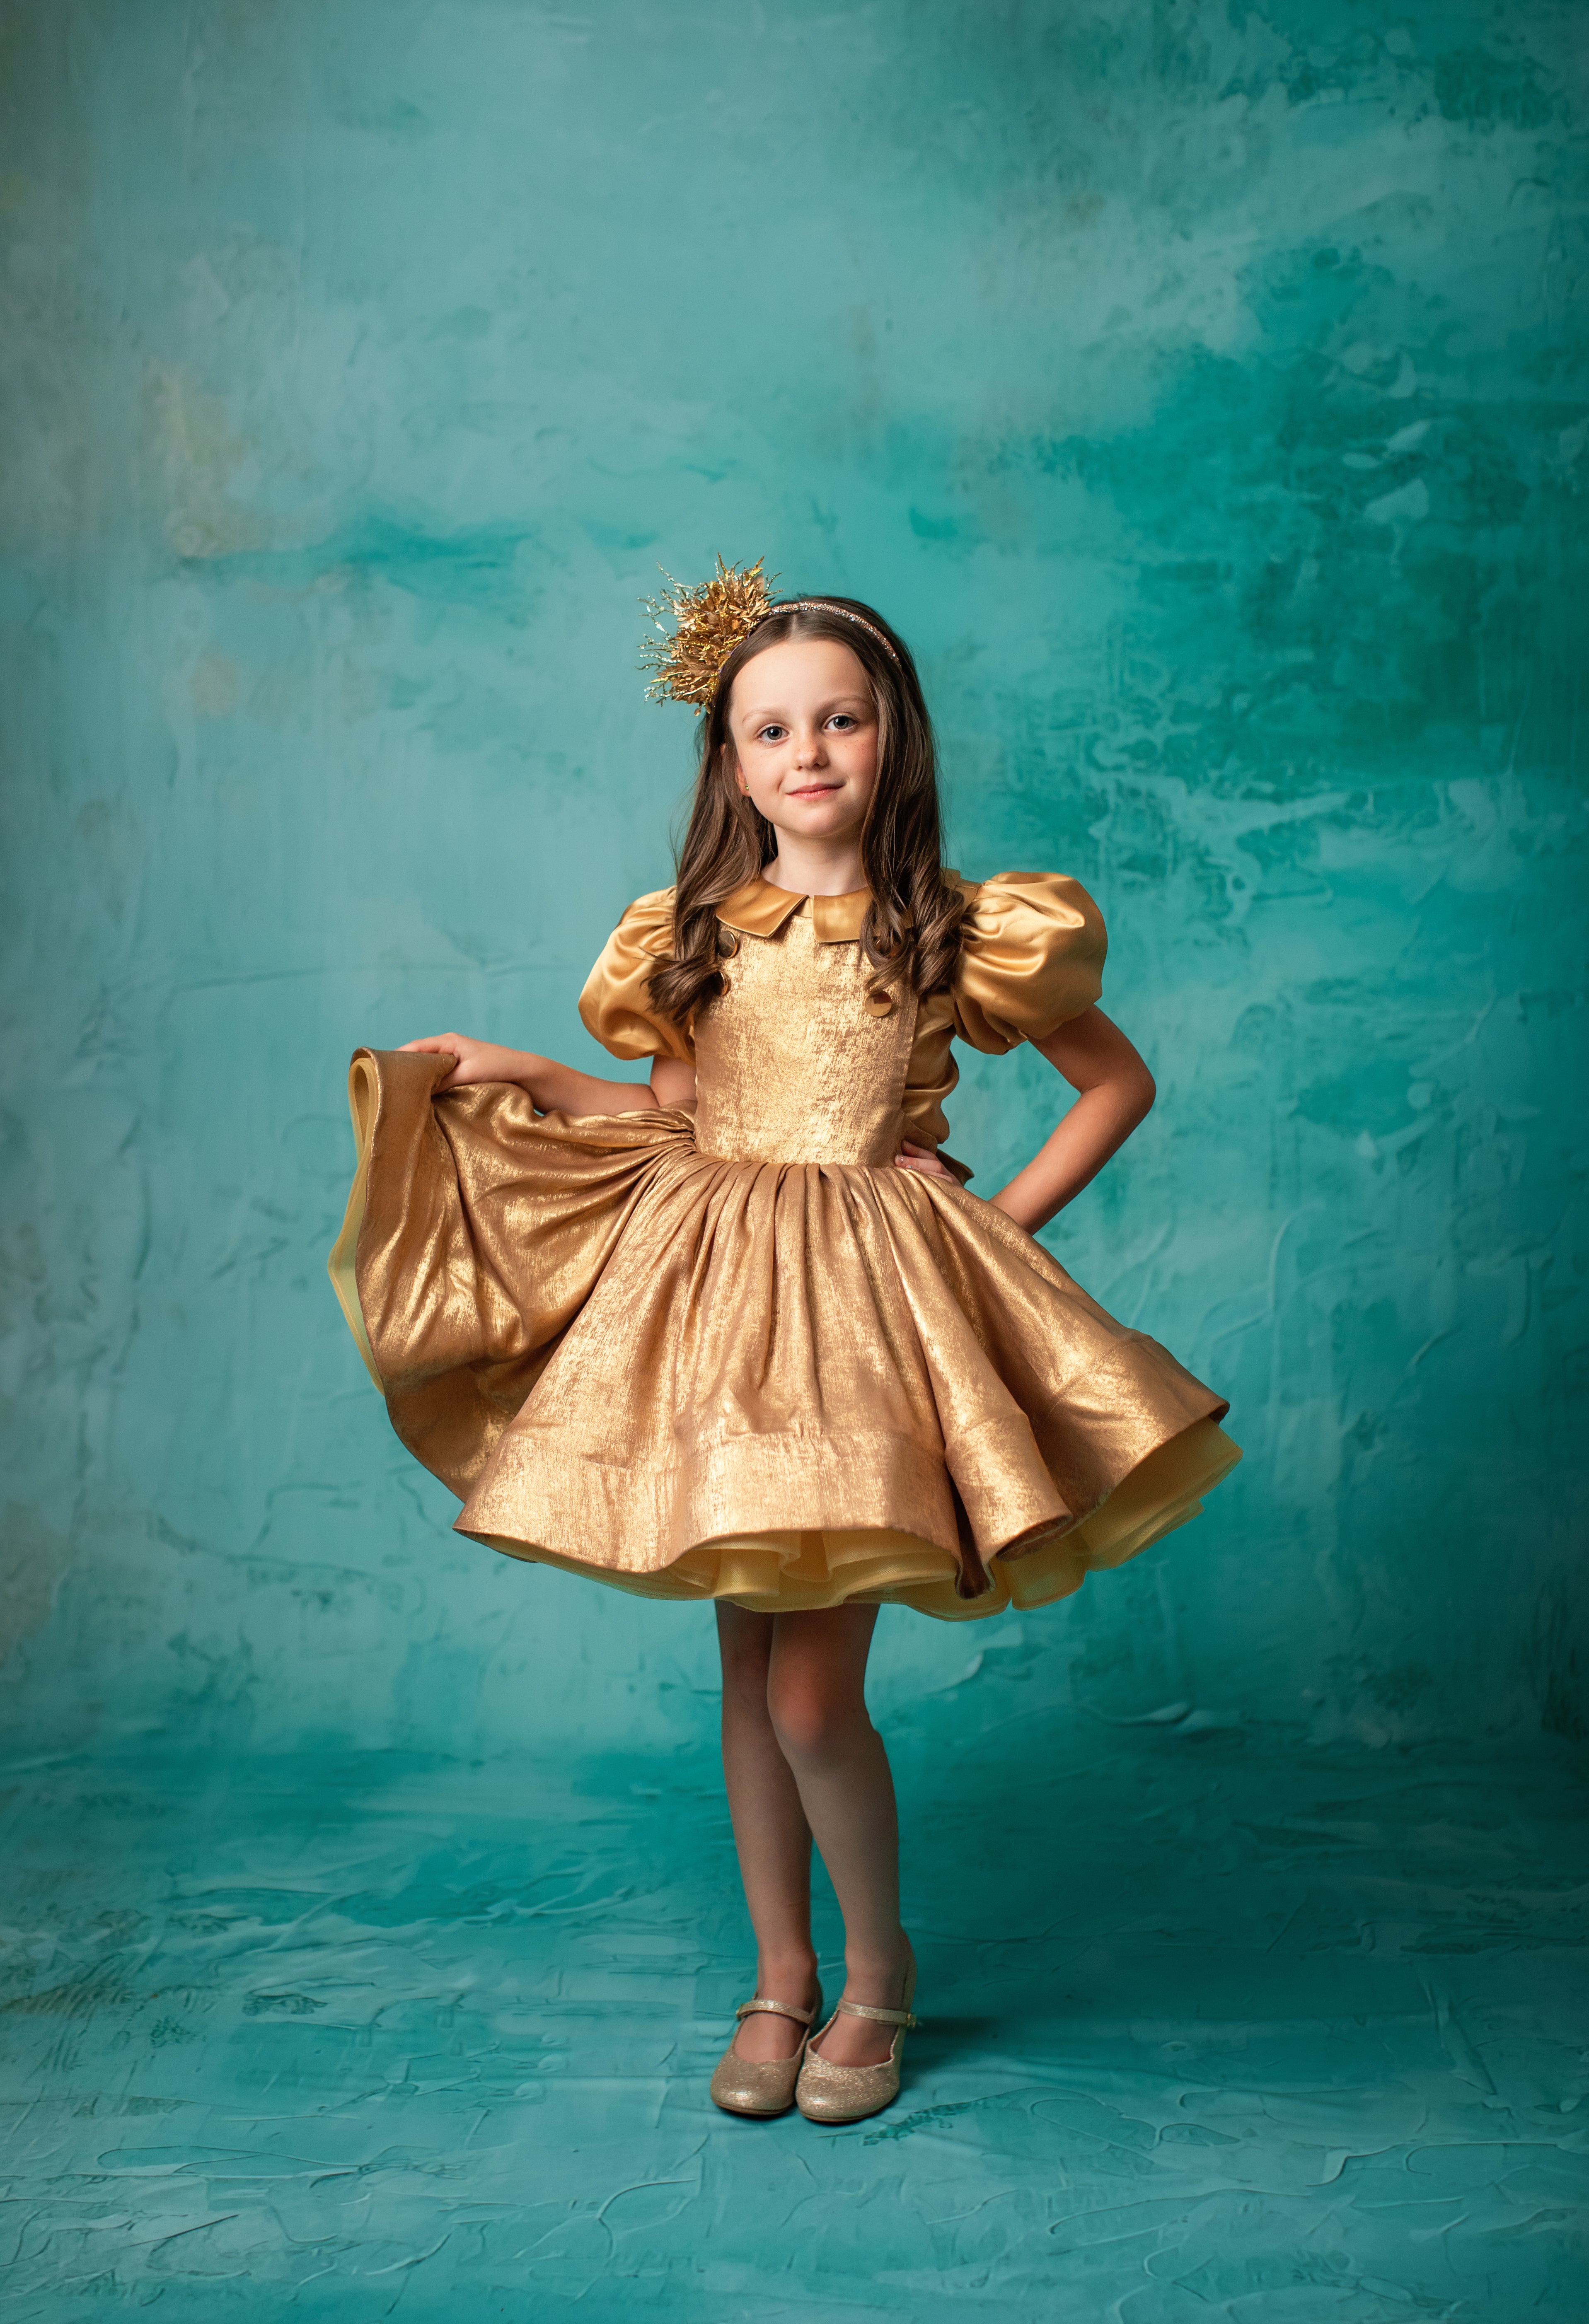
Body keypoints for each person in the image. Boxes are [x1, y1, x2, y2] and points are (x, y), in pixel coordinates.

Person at [329, 560, 1239, 2126]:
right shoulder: (692, 931)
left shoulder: (958, 930)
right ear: (729, 761)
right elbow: (675, 1110)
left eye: (839, 719)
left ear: (894, 739)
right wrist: (524, 1069)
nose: (806, 752)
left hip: (866, 1331)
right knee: (748, 1680)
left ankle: (877, 1972)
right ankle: (780, 1975)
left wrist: (988, 1234)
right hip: (719, 1317)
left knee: (815, 1698)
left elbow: (1116, 1083)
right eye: (769, 730)